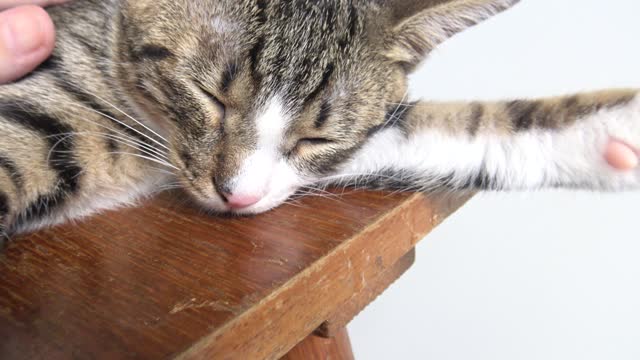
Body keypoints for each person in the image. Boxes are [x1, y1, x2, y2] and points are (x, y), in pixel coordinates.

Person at [0, 0, 637, 170]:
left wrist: (540, 144)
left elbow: (374, 127)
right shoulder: (104, 62)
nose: (238, 185)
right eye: (213, 101)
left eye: (312, 137)